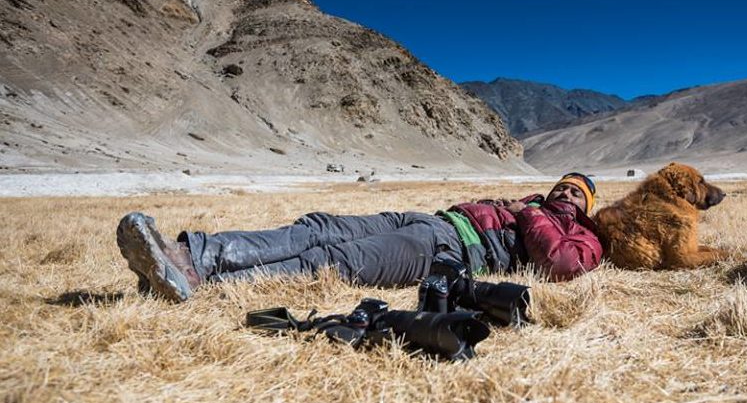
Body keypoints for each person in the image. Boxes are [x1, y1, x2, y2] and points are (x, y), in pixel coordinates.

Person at [116, 173, 602, 302]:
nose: (567, 190)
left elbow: (557, 264)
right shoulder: (530, 204)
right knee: (316, 226)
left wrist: (536, 211)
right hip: (428, 220)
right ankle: (189, 252)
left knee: (334, 259)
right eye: (564, 182)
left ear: (586, 207)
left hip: (447, 252)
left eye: (577, 192)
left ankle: (202, 284)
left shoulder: (582, 236)